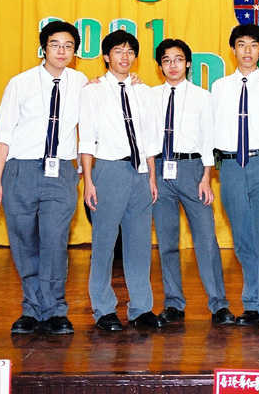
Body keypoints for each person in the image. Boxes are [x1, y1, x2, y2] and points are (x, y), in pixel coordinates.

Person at [0, 20, 88, 335]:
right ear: (44, 48)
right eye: (55, 44)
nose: (62, 51)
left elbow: (108, 98)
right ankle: (31, 309)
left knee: (55, 241)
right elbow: (3, 134)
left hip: (61, 172)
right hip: (21, 170)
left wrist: (133, 80)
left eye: (69, 46)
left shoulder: (81, 82)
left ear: (75, 51)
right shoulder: (20, 83)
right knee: (24, 241)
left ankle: (56, 310)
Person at [78, 29, 165, 332]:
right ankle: (103, 309)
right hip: (108, 170)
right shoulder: (92, 91)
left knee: (139, 243)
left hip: (140, 173)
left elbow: (150, 139)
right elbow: (87, 139)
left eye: (129, 52)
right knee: (103, 243)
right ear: (106, 56)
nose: (124, 57)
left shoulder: (144, 91)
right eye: (118, 51)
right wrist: (89, 181)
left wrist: (151, 177)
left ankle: (141, 307)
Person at [151, 38, 235, 326]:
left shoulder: (202, 96)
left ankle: (219, 304)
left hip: (193, 170)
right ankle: (173, 302)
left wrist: (206, 177)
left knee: (206, 240)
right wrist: (151, 177)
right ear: (160, 66)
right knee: (166, 242)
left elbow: (209, 138)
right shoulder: (150, 96)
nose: (172, 65)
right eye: (166, 60)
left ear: (188, 63)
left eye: (178, 59)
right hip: (160, 169)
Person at [212, 23, 259, 332]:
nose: (247, 50)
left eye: (254, 45)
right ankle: (252, 303)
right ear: (233, 49)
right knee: (242, 239)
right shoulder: (220, 87)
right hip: (230, 166)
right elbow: (213, 126)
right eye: (241, 44)